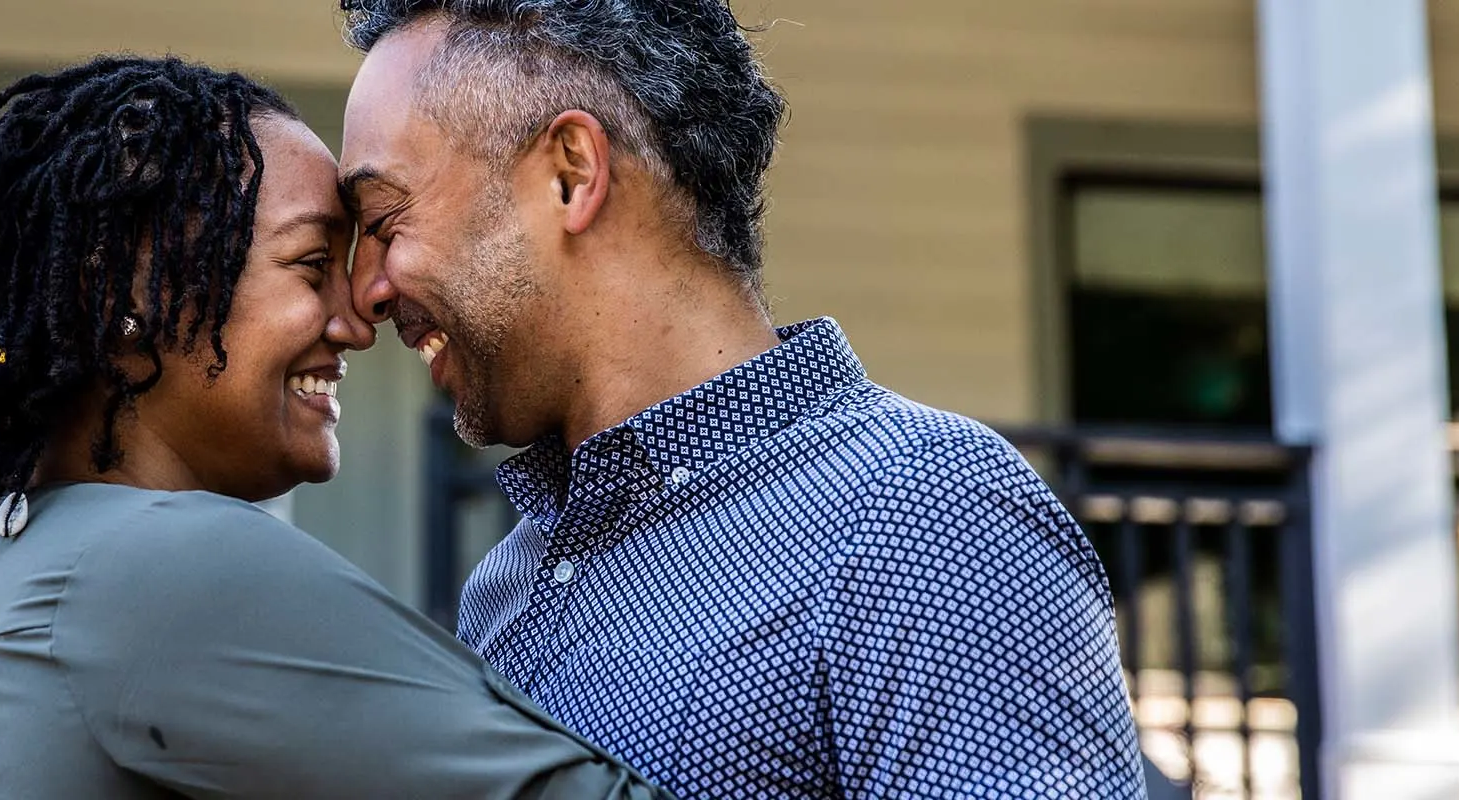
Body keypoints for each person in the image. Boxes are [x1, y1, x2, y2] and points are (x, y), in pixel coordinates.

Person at [334, 2, 1149, 797]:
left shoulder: (926, 515)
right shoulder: (506, 586)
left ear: (570, 173)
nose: (365, 292)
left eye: (382, 217)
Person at [0, 56, 666, 799]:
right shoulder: (164, 565)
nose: (358, 318)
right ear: (120, 296)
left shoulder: (47, 558)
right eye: (309, 265)